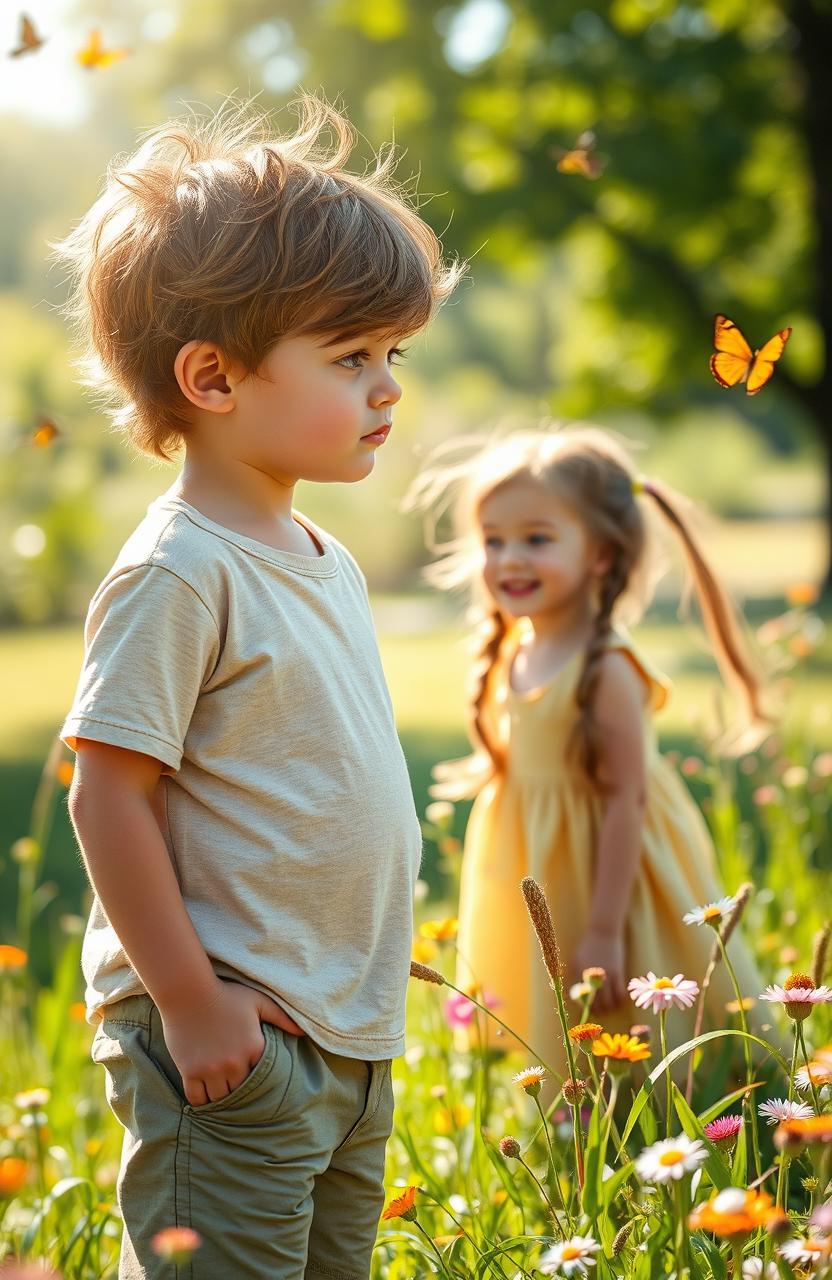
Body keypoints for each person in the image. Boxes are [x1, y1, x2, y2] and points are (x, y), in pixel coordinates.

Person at [55, 95, 460, 1279]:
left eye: (394, 354)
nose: (387, 387)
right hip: (233, 1036)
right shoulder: (179, 570)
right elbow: (106, 795)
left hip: (341, 1036)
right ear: (214, 377)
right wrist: (190, 1001)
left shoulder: (314, 556)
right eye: (350, 356)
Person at [406, 426, 768, 1081]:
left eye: (537, 539)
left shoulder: (607, 669)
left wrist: (603, 928)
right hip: (540, 860)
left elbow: (625, 802)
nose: (509, 559)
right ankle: (572, 1131)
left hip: (609, 871)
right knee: (554, 1012)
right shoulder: (520, 649)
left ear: (601, 553)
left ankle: (669, 1122)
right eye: (493, 540)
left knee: (619, 1012)